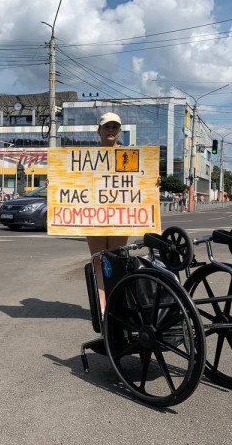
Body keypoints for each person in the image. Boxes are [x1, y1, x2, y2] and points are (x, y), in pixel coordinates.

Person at [86, 113, 131, 318]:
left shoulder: (129, 156)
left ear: (119, 131)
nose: (111, 130)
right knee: (98, 262)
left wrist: (153, 181)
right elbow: (76, 183)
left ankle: (118, 305)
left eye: (115, 127)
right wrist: (58, 184)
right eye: (107, 127)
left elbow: (138, 181)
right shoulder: (87, 159)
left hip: (119, 217)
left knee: (117, 261)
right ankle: (103, 307)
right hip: (94, 217)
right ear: (99, 131)